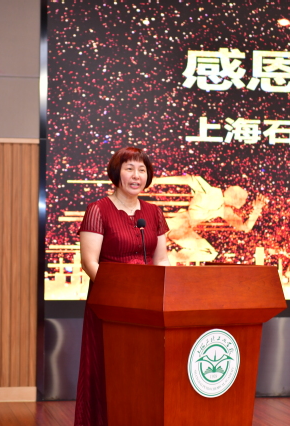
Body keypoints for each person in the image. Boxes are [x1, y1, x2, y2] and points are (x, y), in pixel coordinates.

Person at [74, 146, 170, 426]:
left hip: (148, 306)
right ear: (117, 174)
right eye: (130, 169)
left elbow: (161, 259)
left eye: (142, 170)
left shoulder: (153, 213)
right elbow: (89, 262)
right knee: (109, 368)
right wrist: (121, 293)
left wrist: (167, 292)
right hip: (110, 304)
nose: (136, 175)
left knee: (144, 370)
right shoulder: (98, 210)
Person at [151, 175, 266, 264]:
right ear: (235, 199)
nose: (240, 205)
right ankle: (165, 257)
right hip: (176, 224)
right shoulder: (212, 192)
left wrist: (257, 210)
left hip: (182, 229)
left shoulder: (224, 210)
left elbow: (245, 227)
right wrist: (156, 180)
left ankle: (167, 258)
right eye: (241, 201)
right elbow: (189, 179)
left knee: (209, 252)